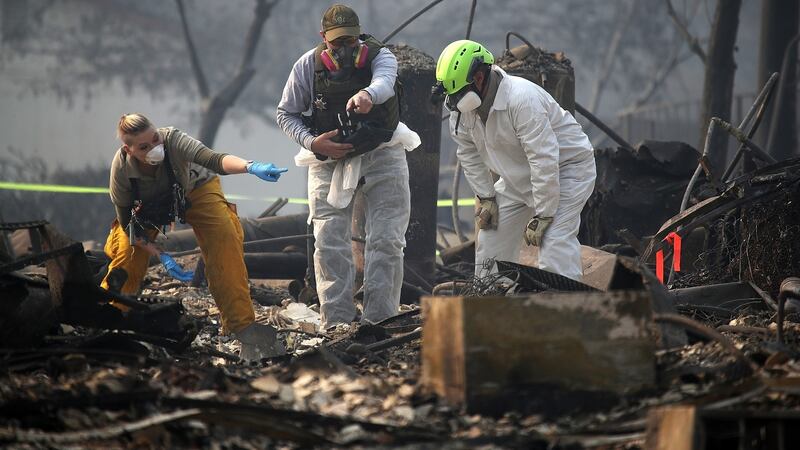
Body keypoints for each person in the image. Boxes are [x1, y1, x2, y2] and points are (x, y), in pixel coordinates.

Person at [276, 4, 419, 329]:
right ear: (323, 38)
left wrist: (368, 94)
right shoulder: (306, 68)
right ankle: (336, 321)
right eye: (336, 43)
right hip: (329, 157)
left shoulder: (379, 57)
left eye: (350, 42)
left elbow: (384, 81)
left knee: (386, 238)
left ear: (359, 37)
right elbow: (286, 114)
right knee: (329, 239)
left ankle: (380, 320)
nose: (343, 50)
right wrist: (313, 143)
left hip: (383, 151)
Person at [102, 113, 288, 360]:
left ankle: (241, 326)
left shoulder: (174, 140)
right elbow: (130, 228)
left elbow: (214, 160)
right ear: (129, 149)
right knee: (127, 253)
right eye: (144, 147)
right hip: (147, 208)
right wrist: (162, 256)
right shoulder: (121, 170)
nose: (155, 148)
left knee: (224, 238)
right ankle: (110, 321)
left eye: (156, 139)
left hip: (195, 189)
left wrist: (250, 167)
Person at [434, 40, 596, 281]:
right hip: (520, 175)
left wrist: (544, 213)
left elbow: (544, 158)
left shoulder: (522, 99)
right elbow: (468, 154)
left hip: (566, 170)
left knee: (554, 242)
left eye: (458, 93)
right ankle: (493, 302)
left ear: (479, 77)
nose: (454, 101)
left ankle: (564, 310)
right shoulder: (461, 111)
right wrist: (487, 197)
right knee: (490, 237)